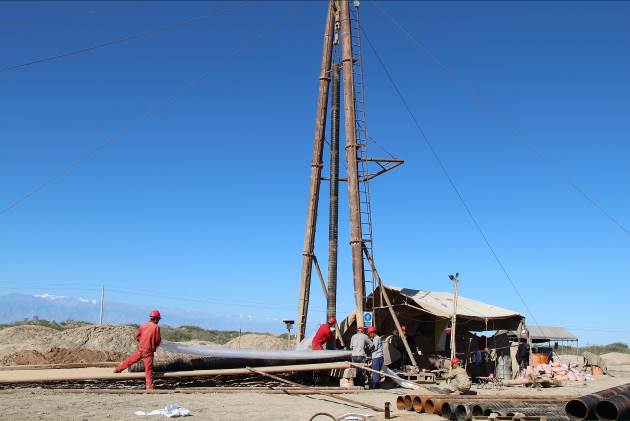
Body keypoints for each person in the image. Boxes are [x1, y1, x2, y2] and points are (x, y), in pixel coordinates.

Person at [114, 310, 162, 390]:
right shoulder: (156, 327)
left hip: (140, 349)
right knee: (148, 370)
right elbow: (157, 340)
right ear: (156, 319)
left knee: (130, 360)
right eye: (158, 320)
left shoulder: (143, 325)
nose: (158, 321)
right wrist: (154, 346)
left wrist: (142, 342)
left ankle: (118, 369)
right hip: (148, 351)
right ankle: (149, 386)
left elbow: (137, 336)